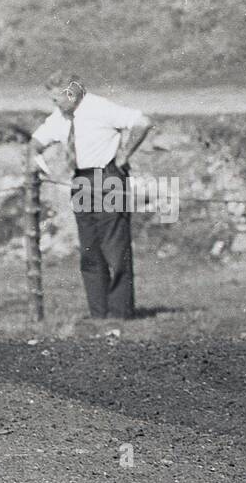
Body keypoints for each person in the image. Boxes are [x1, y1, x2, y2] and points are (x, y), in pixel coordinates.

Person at [28, 72, 153, 320]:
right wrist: (35, 158)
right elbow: (37, 141)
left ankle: (120, 314)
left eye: (56, 99)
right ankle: (99, 314)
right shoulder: (61, 117)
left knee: (115, 249)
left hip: (107, 178)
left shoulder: (99, 107)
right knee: (90, 250)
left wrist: (124, 155)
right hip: (82, 180)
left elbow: (143, 122)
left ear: (70, 94)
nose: (55, 105)